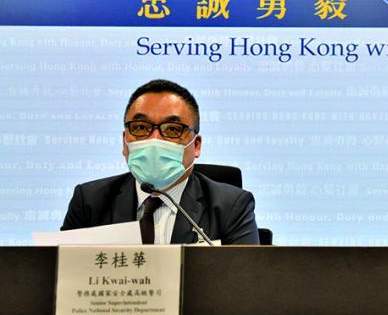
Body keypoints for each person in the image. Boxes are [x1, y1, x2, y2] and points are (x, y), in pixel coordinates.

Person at [62, 79, 259, 244]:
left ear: (197, 145)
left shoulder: (231, 207)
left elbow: (244, 276)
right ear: (124, 142)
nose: (154, 139)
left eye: (172, 129)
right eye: (140, 127)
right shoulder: (89, 202)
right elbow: (63, 272)